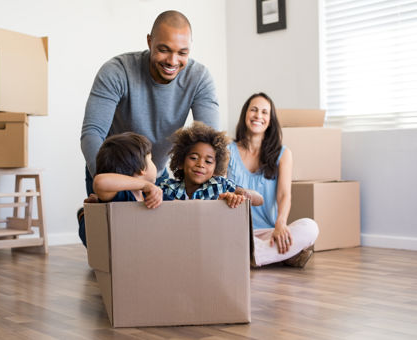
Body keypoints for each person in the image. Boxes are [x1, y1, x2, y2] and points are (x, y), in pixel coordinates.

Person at [80, 10, 220, 196]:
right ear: (149, 41)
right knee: (101, 225)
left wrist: (218, 189)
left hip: (156, 175)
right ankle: (85, 218)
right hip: (112, 175)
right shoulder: (117, 71)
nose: (172, 61)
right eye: (164, 50)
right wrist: (106, 182)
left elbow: (211, 142)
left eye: (182, 53)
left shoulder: (199, 79)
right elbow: (92, 133)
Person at [227, 92, 319, 268]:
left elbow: (284, 195)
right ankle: (283, 255)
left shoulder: (283, 154)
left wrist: (281, 223)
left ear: (270, 120)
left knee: (310, 227)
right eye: (253, 110)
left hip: (269, 232)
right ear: (245, 114)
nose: (258, 116)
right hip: (235, 231)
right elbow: (218, 190)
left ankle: (253, 256)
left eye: (264, 112)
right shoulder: (227, 150)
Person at [78, 132, 163, 247]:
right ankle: (83, 215)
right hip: (109, 245)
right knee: (91, 226)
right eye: (151, 159)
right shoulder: (122, 196)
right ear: (142, 168)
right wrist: (144, 185)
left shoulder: (149, 195)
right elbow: (100, 181)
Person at [159, 121, 263, 207]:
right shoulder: (168, 188)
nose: (200, 164)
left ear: (216, 169)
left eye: (208, 161)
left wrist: (242, 195)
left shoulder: (220, 186)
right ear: (181, 162)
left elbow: (259, 199)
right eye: (194, 158)